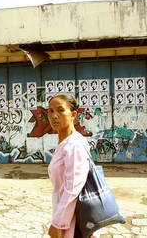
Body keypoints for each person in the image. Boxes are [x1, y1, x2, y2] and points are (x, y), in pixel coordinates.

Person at [47, 94, 100, 238]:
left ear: (73, 114)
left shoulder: (74, 144)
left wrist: (58, 223)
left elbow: (72, 187)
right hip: (67, 216)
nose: (54, 116)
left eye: (60, 110)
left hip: (75, 221)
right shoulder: (65, 144)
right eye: (50, 111)